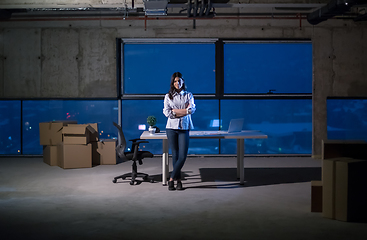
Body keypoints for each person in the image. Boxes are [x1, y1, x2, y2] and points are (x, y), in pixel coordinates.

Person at [163, 72, 196, 191]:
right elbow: (167, 113)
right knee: (175, 155)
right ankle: (178, 181)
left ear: (183, 82)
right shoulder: (168, 96)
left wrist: (176, 111)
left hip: (184, 127)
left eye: (180, 81)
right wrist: (184, 111)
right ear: (173, 83)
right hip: (171, 128)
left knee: (182, 156)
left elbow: (191, 110)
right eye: (176, 81)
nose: (178, 83)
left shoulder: (188, 95)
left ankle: (171, 179)